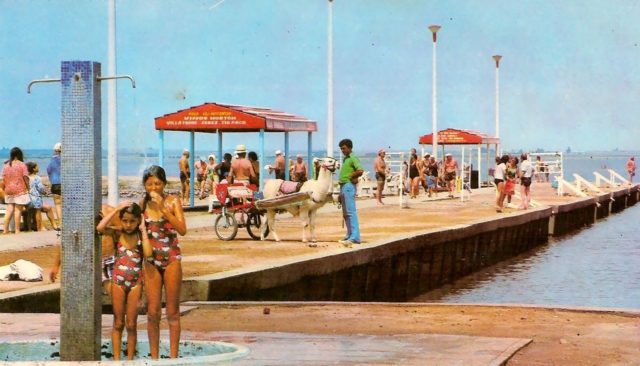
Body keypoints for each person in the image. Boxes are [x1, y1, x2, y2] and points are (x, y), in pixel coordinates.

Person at [140, 165, 187, 359]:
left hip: (171, 259)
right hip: (151, 261)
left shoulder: (172, 201)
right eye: (149, 183)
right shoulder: (142, 204)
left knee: (173, 312)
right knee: (152, 312)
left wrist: (164, 210)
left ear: (164, 184)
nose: (153, 187)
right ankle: (154, 357)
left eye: (157, 183)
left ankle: (174, 357)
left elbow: (182, 229)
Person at [97, 202, 152, 360]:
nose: (128, 225)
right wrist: (116, 210)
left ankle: (129, 360)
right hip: (118, 284)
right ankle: (116, 360)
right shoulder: (117, 234)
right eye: (125, 221)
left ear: (138, 220)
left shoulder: (141, 237)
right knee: (118, 323)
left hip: (135, 284)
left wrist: (143, 230)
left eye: (132, 221)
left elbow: (148, 255)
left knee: (131, 324)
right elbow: (100, 228)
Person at [338, 139, 364, 247]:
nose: (342, 151)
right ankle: (349, 234)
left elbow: (360, 170)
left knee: (351, 212)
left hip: (348, 186)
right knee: (346, 213)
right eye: (341, 149)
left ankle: (355, 237)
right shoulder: (345, 159)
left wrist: (352, 176)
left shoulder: (353, 158)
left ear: (349, 148)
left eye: (344, 148)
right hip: (343, 186)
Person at [2, 147, 30, 234]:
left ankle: (5, 229)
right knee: (18, 210)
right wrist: (28, 187)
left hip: (9, 189)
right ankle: (17, 230)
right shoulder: (22, 164)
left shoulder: (6, 165)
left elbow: (3, 178)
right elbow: (25, 177)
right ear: (19, 154)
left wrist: (7, 187)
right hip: (19, 189)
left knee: (9, 209)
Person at [26, 162, 59, 231]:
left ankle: (29, 229)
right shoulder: (37, 177)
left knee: (33, 211)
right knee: (46, 208)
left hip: (28, 200)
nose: (39, 168)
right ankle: (45, 227)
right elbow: (40, 188)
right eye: (37, 167)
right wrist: (45, 193)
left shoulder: (27, 177)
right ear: (34, 169)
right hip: (35, 199)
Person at [46, 142, 62, 224]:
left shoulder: (52, 161)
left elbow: (48, 171)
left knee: (58, 205)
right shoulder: (67, 160)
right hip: (66, 184)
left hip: (55, 184)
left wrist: (51, 180)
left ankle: (61, 222)